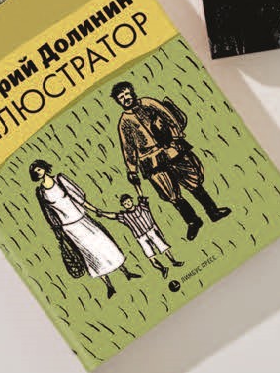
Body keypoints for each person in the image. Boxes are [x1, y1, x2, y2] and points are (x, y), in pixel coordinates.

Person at [111, 80, 231, 241]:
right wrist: (132, 170)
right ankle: (193, 221)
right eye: (121, 97)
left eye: (127, 94)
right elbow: (128, 148)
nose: (125, 98)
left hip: (172, 150)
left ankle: (213, 211)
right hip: (151, 161)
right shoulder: (124, 123)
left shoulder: (148, 103)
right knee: (170, 194)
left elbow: (169, 116)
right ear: (118, 101)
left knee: (194, 181)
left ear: (132, 92)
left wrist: (175, 137)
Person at [29, 159, 138, 298]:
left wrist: (95, 209)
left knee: (105, 244)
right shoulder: (40, 192)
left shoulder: (60, 179)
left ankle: (126, 272)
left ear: (44, 167)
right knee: (89, 255)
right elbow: (48, 213)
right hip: (69, 227)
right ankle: (109, 286)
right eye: (35, 172)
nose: (38, 172)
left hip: (82, 219)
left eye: (39, 169)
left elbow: (79, 198)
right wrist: (57, 230)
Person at [93, 192, 183, 276]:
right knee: (150, 255)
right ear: (123, 205)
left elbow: (141, 195)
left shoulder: (142, 207)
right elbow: (114, 216)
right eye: (125, 203)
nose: (127, 204)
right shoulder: (124, 216)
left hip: (151, 231)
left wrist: (137, 184)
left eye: (128, 201)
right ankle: (163, 269)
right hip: (141, 237)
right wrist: (102, 213)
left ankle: (174, 261)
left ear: (131, 200)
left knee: (163, 247)